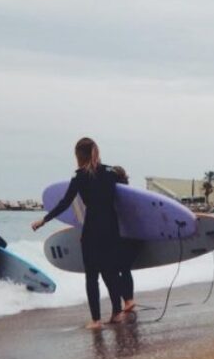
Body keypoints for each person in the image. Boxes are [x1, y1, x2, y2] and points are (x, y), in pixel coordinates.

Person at [31, 138, 125, 330]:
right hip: (112, 227)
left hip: (93, 227)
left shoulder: (80, 177)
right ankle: (117, 312)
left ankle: (96, 320)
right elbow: (127, 193)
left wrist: (44, 220)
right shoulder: (110, 173)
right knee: (110, 272)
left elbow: (66, 202)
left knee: (92, 275)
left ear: (78, 155)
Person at [112, 165, 138, 313]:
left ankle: (128, 300)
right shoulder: (133, 194)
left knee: (115, 269)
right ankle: (128, 300)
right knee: (123, 268)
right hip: (137, 235)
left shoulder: (114, 193)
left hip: (125, 236)